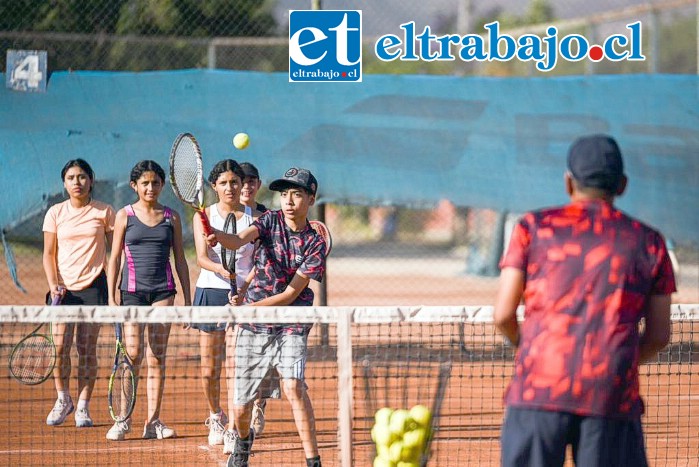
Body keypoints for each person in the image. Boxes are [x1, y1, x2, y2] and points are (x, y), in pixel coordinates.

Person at [493, 135, 675, 467]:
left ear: (568, 182)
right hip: (612, 395)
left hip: (538, 388)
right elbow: (660, 335)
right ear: (622, 185)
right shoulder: (650, 242)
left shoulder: (532, 228)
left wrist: (528, 350)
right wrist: (620, 363)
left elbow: (503, 313)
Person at [207, 167, 326, 467]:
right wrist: (217, 236)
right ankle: (243, 445)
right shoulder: (268, 220)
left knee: (294, 387)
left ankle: (313, 460)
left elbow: (289, 295)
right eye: (284, 193)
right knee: (241, 406)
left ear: (310, 199)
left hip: (291, 322)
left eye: (296, 194)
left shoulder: (315, 242)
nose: (288, 200)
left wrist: (247, 308)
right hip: (254, 326)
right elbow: (236, 241)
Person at [106, 160, 191, 441]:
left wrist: (187, 301)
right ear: (135, 186)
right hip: (131, 293)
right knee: (132, 355)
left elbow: (180, 259)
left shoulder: (172, 217)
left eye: (155, 183)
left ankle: (153, 421)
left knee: (157, 356)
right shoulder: (124, 215)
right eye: (145, 183)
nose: (151, 187)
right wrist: (111, 296)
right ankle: (123, 418)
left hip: (163, 292)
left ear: (162, 185)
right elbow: (115, 257)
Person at [188, 159, 265, 451]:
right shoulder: (203, 216)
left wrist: (243, 288)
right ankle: (215, 416)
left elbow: (259, 262)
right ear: (214, 187)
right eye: (224, 183)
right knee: (210, 369)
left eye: (235, 182)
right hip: (210, 292)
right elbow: (201, 257)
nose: (231, 187)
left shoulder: (255, 217)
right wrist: (222, 271)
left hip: (244, 298)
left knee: (236, 367)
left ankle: (234, 428)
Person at [42, 158, 115, 428]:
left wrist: (114, 287)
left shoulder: (105, 211)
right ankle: (63, 399)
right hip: (62, 290)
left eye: (82, 177)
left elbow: (115, 252)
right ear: (64, 182)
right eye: (71, 177)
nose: (77, 182)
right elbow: (48, 254)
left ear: (91, 180)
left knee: (86, 349)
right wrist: (53, 284)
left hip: (94, 288)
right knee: (60, 348)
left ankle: (83, 406)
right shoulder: (55, 213)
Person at [237, 161, 271, 438]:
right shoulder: (225, 214)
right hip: (228, 293)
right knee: (237, 358)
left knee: (266, 356)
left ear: (258, 185)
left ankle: (259, 405)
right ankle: (235, 415)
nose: (246, 185)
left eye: (252, 181)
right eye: (242, 180)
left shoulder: (268, 217)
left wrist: (248, 288)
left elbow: (266, 260)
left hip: (260, 294)